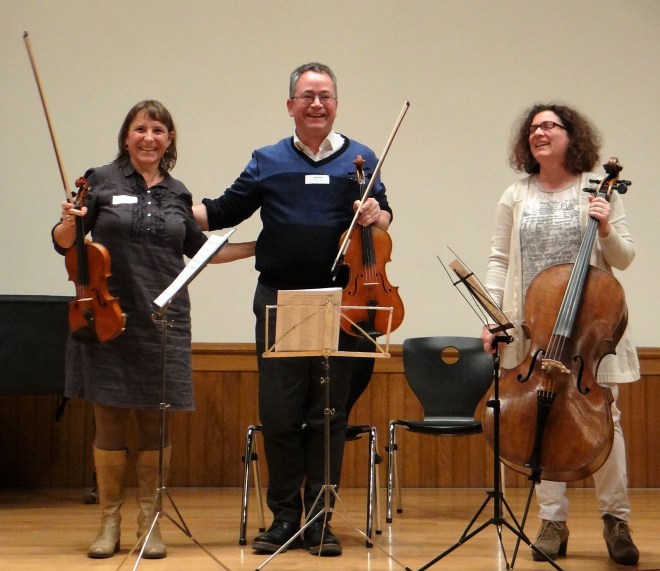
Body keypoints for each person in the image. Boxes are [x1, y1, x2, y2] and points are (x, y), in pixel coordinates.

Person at [193, 62, 392, 556]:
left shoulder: (362, 159)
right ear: (290, 106)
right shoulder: (268, 160)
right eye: (307, 96)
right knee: (280, 414)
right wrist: (167, 204)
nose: (316, 104)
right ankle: (284, 518)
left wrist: (377, 212)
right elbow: (221, 211)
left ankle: (321, 520)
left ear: (336, 104)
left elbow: (385, 215)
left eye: (325, 96)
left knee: (329, 414)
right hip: (279, 299)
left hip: (343, 303)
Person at [52, 100, 254, 560]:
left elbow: (202, 252)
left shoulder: (178, 194)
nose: (149, 137)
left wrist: (262, 246)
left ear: (169, 140)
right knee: (109, 420)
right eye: (141, 129)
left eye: (158, 130)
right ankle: (109, 522)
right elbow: (65, 244)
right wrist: (67, 223)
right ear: (127, 136)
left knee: (154, 422)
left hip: (164, 319)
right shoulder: (100, 181)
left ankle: (150, 522)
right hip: (107, 314)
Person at [480, 103, 640, 566]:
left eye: (550, 125)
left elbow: (624, 257)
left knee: (604, 422)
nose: (539, 132)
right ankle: (552, 521)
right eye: (533, 127)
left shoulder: (597, 188)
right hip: (535, 328)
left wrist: (605, 227)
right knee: (540, 420)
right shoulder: (516, 194)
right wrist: (493, 315)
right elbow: (499, 259)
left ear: (572, 135)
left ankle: (616, 519)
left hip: (590, 328)